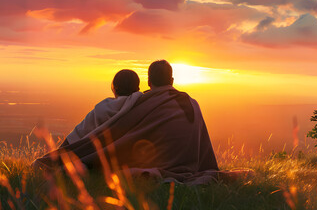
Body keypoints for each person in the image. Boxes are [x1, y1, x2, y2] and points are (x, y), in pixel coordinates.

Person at [34, 60, 246, 184]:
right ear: (172, 81)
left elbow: (121, 127)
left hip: (158, 163)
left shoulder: (142, 101)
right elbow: (203, 147)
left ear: (149, 82)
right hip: (191, 165)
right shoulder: (193, 103)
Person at [61, 69, 142, 147]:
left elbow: (75, 136)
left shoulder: (102, 108)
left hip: (90, 157)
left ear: (114, 88)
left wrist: (53, 158)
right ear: (137, 88)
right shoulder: (141, 107)